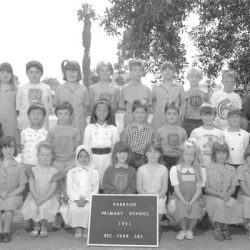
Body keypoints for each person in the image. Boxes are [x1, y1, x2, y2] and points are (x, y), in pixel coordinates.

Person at [46, 102, 80, 229]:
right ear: (56, 115)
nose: (63, 116)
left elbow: (77, 149)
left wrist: (74, 163)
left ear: (70, 115)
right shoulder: (52, 131)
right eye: (60, 114)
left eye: (66, 114)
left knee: (69, 191)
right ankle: (57, 217)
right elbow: (48, 149)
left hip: (70, 163)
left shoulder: (74, 131)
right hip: (57, 163)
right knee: (56, 191)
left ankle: (68, 217)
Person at [168, 139, 206, 240]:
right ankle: (183, 229)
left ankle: (190, 230)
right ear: (182, 155)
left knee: (195, 207)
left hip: (194, 197)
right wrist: (185, 201)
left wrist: (191, 201)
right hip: (180, 196)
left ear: (195, 156)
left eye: (191, 155)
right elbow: (176, 189)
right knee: (181, 206)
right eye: (186, 154)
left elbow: (199, 190)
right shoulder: (175, 169)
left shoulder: (200, 170)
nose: (189, 157)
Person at [204, 141, 243, 241]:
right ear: (214, 154)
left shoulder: (232, 169)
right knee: (220, 203)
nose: (222, 155)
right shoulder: (208, 168)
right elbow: (206, 188)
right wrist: (219, 195)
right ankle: (217, 228)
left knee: (233, 203)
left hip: (227, 195)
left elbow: (233, 187)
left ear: (227, 154)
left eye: (224, 153)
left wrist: (227, 195)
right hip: (211, 196)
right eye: (219, 153)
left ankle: (225, 228)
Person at [60, 145, 99, 238]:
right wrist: (77, 200)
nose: (83, 159)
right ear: (77, 158)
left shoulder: (94, 172)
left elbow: (95, 188)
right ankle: (78, 228)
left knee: (88, 209)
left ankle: (86, 228)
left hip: (89, 199)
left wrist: (87, 199)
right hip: (75, 198)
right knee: (74, 208)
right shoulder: (71, 172)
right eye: (81, 156)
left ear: (90, 157)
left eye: (86, 156)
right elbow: (70, 189)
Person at [22, 141, 59, 238]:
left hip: (48, 196)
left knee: (44, 207)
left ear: (52, 156)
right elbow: (31, 186)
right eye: (42, 155)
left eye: (47, 155)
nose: (45, 157)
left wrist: (43, 199)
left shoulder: (54, 171)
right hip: (34, 195)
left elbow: (52, 189)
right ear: (38, 155)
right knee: (34, 207)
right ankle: (36, 226)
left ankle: (43, 227)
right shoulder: (33, 170)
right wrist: (36, 198)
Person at [20, 104, 48, 231]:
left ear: (43, 116)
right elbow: (21, 150)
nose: (36, 116)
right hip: (27, 166)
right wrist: (23, 165)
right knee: (27, 195)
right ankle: (27, 218)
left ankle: (39, 219)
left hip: (41, 168)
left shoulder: (46, 133)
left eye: (39, 113)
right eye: (33, 113)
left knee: (39, 193)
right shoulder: (24, 132)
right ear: (28, 115)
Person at [83, 99, 119, 187]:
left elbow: (115, 147)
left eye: (105, 110)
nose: (102, 113)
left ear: (109, 112)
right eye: (99, 110)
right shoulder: (89, 128)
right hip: (93, 159)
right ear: (95, 111)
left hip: (108, 159)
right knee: (92, 183)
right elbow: (85, 147)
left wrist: (113, 161)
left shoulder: (113, 129)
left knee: (106, 182)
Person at [0, 136, 27, 243]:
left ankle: (6, 231)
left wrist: (10, 194)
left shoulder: (19, 166)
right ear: (1, 149)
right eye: (5, 147)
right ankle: (0, 231)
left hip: (14, 195)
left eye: (11, 147)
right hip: (0, 194)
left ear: (15, 149)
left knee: (9, 204)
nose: (9, 150)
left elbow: (22, 186)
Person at [53, 60, 89, 140]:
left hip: (79, 124)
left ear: (79, 73)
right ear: (65, 73)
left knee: (79, 146)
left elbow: (86, 107)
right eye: (68, 71)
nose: (71, 74)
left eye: (74, 71)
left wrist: (81, 118)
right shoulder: (60, 88)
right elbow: (55, 105)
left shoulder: (84, 89)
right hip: (64, 123)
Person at [16, 60, 52, 130]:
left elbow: (49, 107)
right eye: (31, 72)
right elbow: (18, 107)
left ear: (41, 73)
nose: (34, 75)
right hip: (25, 124)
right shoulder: (21, 88)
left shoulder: (47, 88)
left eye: (37, 72)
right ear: (27, 73)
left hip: (42, 125)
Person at [137, 142, 168, 222]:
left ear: (160, 154)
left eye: (156, 152)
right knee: (145, 206)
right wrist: (148, 197)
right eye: (150, 152)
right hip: (144, 196)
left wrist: (157, 197)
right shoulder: (141, 169)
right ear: (146, 154)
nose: (153, 154)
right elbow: (139, 188)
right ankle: (146, 226)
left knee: (160, 204)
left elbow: (164, 188)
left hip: (159, 196)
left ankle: (156, 228)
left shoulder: (164, 169)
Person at [151, 61, 185, 133]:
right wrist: (155, 111)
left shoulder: (179, 87)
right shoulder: (155, 87)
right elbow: (152, 101)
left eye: (170, 69)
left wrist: (181, 117)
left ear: (173, 72)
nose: (167, 71)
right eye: (164, 69)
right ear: (161, 73)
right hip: (158, 121)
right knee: (158, 142)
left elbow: (183, 103)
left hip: (174, 121)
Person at [155, 103, 187, 176]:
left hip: (178, 160)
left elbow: (184, 148)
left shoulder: (183, 131)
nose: (171, 116)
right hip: (164, 159)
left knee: (176, 180)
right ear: (165, 115)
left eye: (174, 114)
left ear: (178, 116)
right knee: (166, 180)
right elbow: (158, 148)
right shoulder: (160, 131)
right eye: (169, 114)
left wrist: (182, 161)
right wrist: (161, 160)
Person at [120, 100, 154, 169]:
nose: (140, 115)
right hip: (130, 157)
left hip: (144, 158)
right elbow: (123, 145)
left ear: (146, 113)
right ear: (133, 113)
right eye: (137, 112)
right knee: (131, 177)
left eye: (142, 112)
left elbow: (151, 147)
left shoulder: (150, 130)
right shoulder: (128, 129)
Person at [119, 59, 151, 128]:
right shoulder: (124, 89)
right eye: (135, 70)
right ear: (130, 72)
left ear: (143, 72)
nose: (138, 72)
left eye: (140, 70)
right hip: (128, 126)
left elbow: (148, 109)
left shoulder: (147, 89)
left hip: (143, 127)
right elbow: (122, 108)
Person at [181, 67, 210, 137]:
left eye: (197, 77)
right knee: (189, 145)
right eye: (192, 76)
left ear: (200, 78)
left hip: (202, 122)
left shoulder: (205, 93)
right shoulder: (185, 93)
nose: (194, 79)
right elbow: (183, 110)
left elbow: (209, 110)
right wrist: (181, 123)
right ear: (188, 78)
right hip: (188, 122)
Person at [0, 63, 19, 142]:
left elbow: (18, 109)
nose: (5, 74)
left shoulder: (16, 90)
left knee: (10, 143)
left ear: (12, 74)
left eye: (8, 72)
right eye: (2, 72)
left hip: (11, 123)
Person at [237, 145, 250, 239]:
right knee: (248, 200)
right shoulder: (241, 168)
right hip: (244, 196)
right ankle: (248, 228)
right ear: (245, 158)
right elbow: (244, 188)